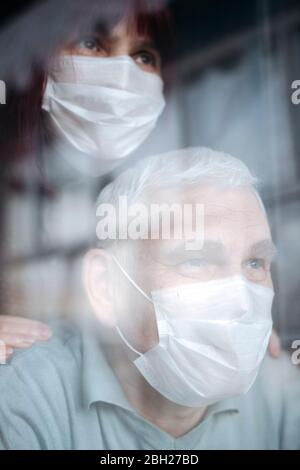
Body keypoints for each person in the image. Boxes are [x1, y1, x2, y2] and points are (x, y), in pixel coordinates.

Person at [0, 147, 298, 450]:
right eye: (196, 260)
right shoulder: (22, 396)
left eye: (254, 263)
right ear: (107, 286)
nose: (243, 303)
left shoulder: (283, 392)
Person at [0, 0, 173, 359]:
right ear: (38, 66)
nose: (124, 73)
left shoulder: (180, 203)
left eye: (143, 56)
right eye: (92, 44)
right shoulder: (15, 194)